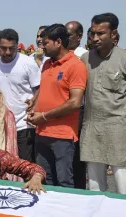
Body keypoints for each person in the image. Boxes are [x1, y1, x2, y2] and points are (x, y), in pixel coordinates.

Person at [26, 24, 87, 188]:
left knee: (64, 182)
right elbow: (44, 88)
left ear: (58, 42)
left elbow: (75, 102)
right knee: (45, 179)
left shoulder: (76, 65)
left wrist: (44, 116)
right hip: (42, 132)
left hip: (62, 136)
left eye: (45, 43)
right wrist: (34, 105)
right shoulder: (47, 64)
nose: (42, 46)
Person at [80, 13, 126, 194]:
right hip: (91, 129)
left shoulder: (123, 58)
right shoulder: (85, 59)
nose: (95, 38)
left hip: (118, 130)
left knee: (122, 184)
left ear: (114, 34)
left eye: (101, 34)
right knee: (95, 187)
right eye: (92, 33)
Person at [0, 29, 41, 162]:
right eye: (4, 48)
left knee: (24, 164)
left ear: (17, 46)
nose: (8, 52)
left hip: (24, 125)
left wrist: (34, 103)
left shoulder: (28, 63)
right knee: (3, 164)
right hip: (0, 125)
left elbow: (39, 89)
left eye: (12, 48)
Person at [65, 20, 88, 189]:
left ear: (79, 37)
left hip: (79, 110)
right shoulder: (62, 54)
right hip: (61, 111)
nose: (65, 38)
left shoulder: (84, 56)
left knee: (76, 156)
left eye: (69, 35)